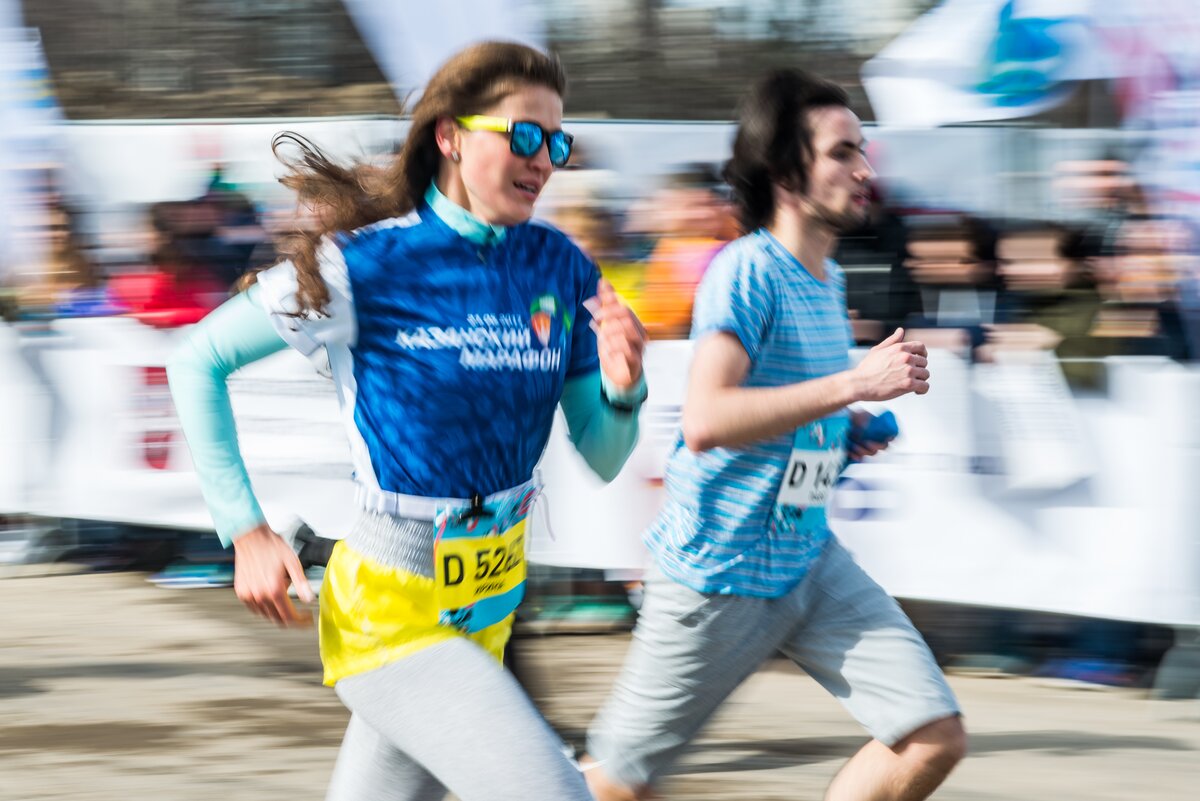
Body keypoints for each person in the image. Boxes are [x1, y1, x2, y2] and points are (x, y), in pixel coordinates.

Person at [166, 42, 647, 801]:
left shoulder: (563, 267)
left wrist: (623, 388)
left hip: (489, 607)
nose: (545, 159)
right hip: (390, 613)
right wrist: (245, 531)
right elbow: (196, 361)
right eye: (524, 134)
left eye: (558, 143)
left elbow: (606, 453)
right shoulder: (365, 263)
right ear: (451, 136)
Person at [581, 69, 966, 801]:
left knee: (931, 734)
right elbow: (707, 419)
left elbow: (782, 407)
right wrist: (853, 384)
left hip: (807, 555)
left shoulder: (826, 277)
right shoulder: (744, 271)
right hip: (717, 569)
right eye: (842, 152)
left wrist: (840, 429)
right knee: (616, 785)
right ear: (788, 173)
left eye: (862, 149)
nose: (864, 168)